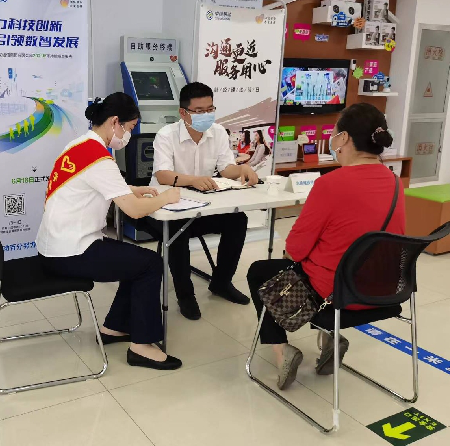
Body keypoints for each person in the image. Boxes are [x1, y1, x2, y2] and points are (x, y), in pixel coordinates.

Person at [246, 103, 404, 390]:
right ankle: (329, 337)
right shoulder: (394, 182)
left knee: (261, 272)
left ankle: (283, 352)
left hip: (337, 295)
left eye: (334, 133)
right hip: (385, 290)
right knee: (317, 268)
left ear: (343, 138)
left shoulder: (331, 183)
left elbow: (295, 249)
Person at [37, 92, 183, 371]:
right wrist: (167, 197)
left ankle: (114, 327)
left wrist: (132, 189)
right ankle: (142, 347)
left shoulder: (80, 145)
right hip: (71, 251)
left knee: (134, 261)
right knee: (150, 264)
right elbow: (134, 211)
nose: (129, 135)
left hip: (55, 245)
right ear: (115, 122)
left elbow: (92, 184)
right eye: (130, 128)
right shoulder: (99, 158)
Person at [150, 82, 258, 320]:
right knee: (177, 230)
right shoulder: (166, 135)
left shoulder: (218, 132)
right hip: (168, 209)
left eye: (210, 109)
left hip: (203, 206)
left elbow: (226, 168)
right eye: (199, 111)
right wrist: (194, 180)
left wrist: (242, 170)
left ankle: (221, 282)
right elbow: (163, 175)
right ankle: (185, 295)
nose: (206, 115)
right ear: (183, 112)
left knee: (238, 220)